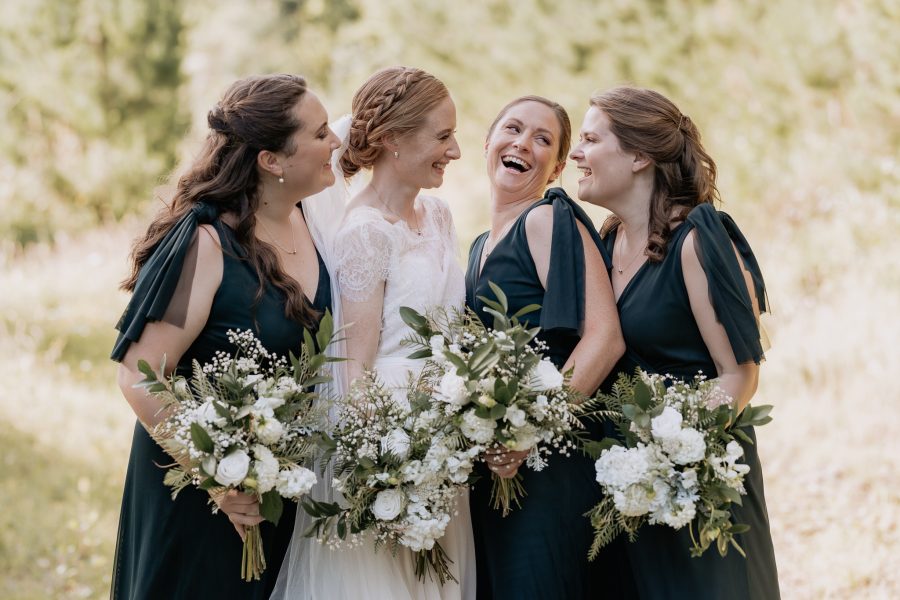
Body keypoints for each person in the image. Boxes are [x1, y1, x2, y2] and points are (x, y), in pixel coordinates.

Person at [109, 74, 340, 600]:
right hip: (195, 491)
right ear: (272, 160)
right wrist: (219, 478)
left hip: (276, 490)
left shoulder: (313, 224)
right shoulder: (205, 243)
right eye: (322, 133)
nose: (337, 142)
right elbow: (139, 377)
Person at [569, 85, 780, 598]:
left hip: (693, 485)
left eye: (591, 139)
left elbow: (739, 374)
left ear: (640, 156)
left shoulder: (698, 240)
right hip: (619, 491)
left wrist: (665, 457)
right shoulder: (603, 241)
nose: (575, 153)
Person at [273, 66, 475, 599]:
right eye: (443, 136)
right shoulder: (363, 232)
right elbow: (353, 368)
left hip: (441, 436)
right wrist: (384, 470)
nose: (455, 151)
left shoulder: (437, 214)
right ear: (390, 140)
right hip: (392, 445)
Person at [465, 95, 626, 599]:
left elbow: (605, 338)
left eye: (542, 139)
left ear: (557, 167)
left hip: (548, 465)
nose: (522, 145)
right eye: (512, 129)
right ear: (487, 142)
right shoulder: (477, 247)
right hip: (497, 469)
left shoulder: (548, 218)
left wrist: (529, 431)